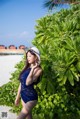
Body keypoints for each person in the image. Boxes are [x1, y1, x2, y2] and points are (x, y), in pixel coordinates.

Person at [15, 46, 43, 119]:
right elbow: (21, 83)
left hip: (31, 97)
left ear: (36, 57)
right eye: (27, 56)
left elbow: (28, 82)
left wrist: (33, 69)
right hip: (23, 96)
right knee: (28, 117)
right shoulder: (26, 67)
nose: (28, 58)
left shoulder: (38, 70)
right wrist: (17, 97)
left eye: (30, 56)